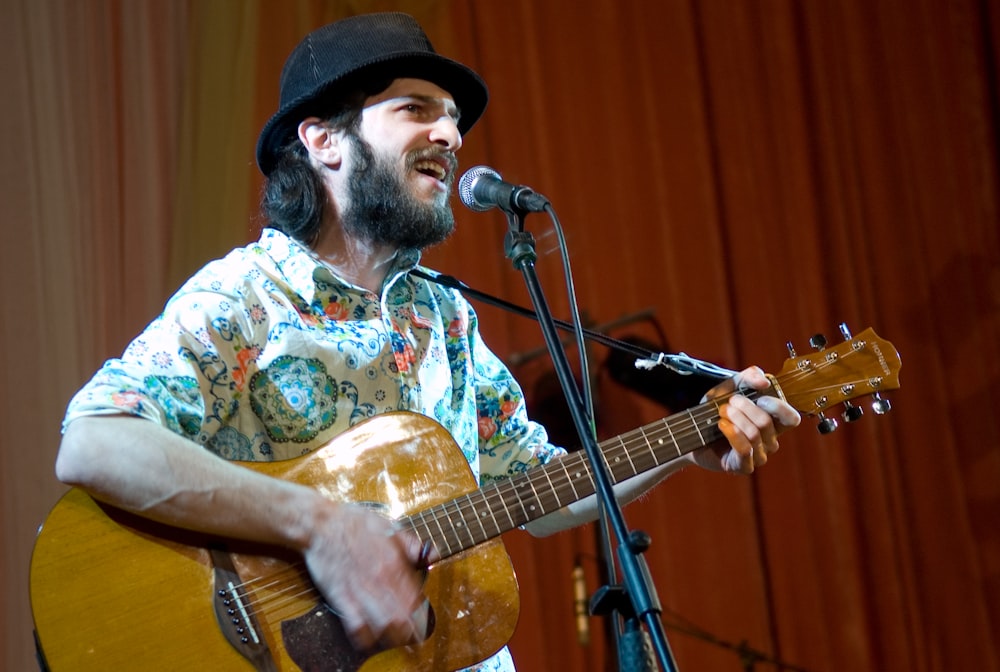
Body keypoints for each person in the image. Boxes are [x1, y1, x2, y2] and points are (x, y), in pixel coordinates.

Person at [54, 12, 800, 672]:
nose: (449, 134)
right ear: (322, 140)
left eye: (453, 120)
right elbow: (93, 441)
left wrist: (691, 440)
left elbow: (538, 493)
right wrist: (321, 527)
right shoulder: (247, 295)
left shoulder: (444, 318)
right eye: (417, 110)